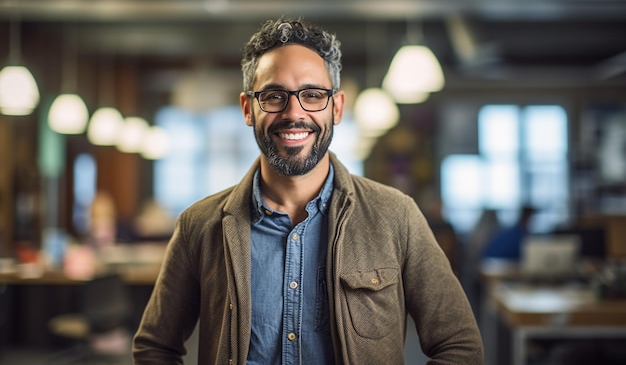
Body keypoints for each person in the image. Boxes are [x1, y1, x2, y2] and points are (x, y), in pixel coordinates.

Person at [133, 18, 483, 364]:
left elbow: (459, 346)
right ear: (247, 108)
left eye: (313, 95)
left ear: (337, 107)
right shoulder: (199, 225)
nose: (294, 113)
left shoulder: (396, 217)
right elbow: (155, 348)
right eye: (273, 96)